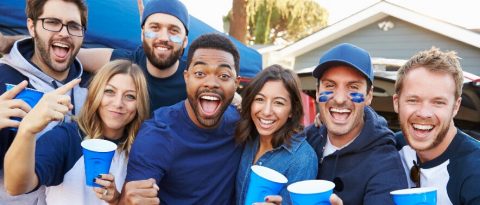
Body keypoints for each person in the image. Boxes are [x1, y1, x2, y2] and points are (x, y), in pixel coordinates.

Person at [4, 60, 150, 205]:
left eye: (130, 96)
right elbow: (16, 186)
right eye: (109, 91)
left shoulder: (143, 151)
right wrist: (27, 131)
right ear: (95, 94)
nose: (118, 103)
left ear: (140, 104)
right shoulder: (66, 138)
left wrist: (117, 200)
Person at [0, 0, 89, 204]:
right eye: (52, 22)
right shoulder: (3, 77)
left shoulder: (91, 89)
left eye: (74, 26)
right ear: (32, 26)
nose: (64, 33)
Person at [304, 43, 408, 205]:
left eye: (353, 87)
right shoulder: (306, 140)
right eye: (330, 86)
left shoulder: (385, 163)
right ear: (317, 92)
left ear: (369, 96)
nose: (339, 99)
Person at [393, 47, 480, 205]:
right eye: (413, 100)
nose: (424, 113)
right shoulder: (389, 147)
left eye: (438, 102)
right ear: (396, 103)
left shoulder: (475, 170)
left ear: (455, 107)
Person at [77, 0, 190, 111]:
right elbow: (72, 54)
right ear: (142, 34)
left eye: (174, 30)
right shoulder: (127, 63)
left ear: (185, 41)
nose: (164, 37)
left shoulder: (194, 79)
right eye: (155, 28)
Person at [235, 64, 317, 205]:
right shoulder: (250, 138)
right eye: (260, 99)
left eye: (278, 103)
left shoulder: (302, 159)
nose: (267, 111)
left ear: (292, 110)